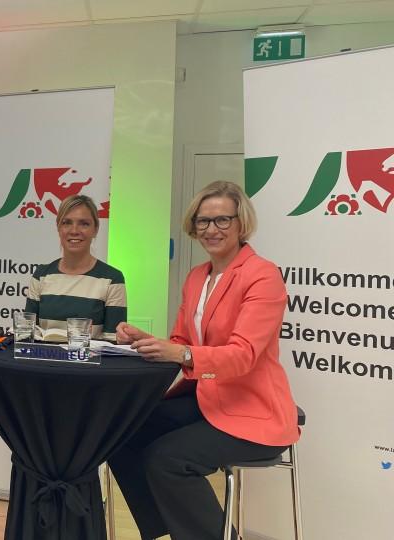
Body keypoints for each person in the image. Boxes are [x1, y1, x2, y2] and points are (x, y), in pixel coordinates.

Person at [110, 181, 299, 540]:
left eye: (222, 220)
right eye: (203, 221)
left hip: (253, 410)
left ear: (241, 223)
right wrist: (146, 340)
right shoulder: (197, 277)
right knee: (121, 430)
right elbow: (183, 342)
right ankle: (173, 529)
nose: (212, 229)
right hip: (207, 399)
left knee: (167, 460)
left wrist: (181, 354)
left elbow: (243, 355)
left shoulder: (263, 275)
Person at [24, 194, 126, 341]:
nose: (74, 230)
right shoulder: (41, 275)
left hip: (89, 357)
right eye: (67, 223)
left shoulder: (112, 279)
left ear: (96, 229)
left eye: (84, 224)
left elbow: (113, 342)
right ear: (59, 228)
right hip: (43, 356)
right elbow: (27, 334)